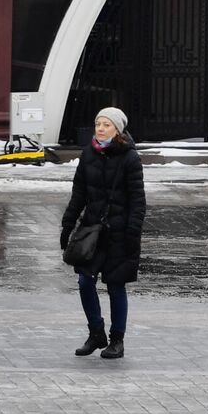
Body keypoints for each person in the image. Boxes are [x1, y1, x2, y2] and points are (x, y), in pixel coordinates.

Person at [61, 107, 145, 360]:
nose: (100, 128)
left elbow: (138, 201)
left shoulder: (130, 158)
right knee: (85, 281)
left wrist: (132, 233)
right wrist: (67, 226)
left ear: (117, 129)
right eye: (98, 123)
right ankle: (96, 332)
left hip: (120, 233)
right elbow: (78, 195)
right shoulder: (89, 155)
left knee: (116, 286)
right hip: (93, 232)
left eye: (106, 124)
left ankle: (117, 340)